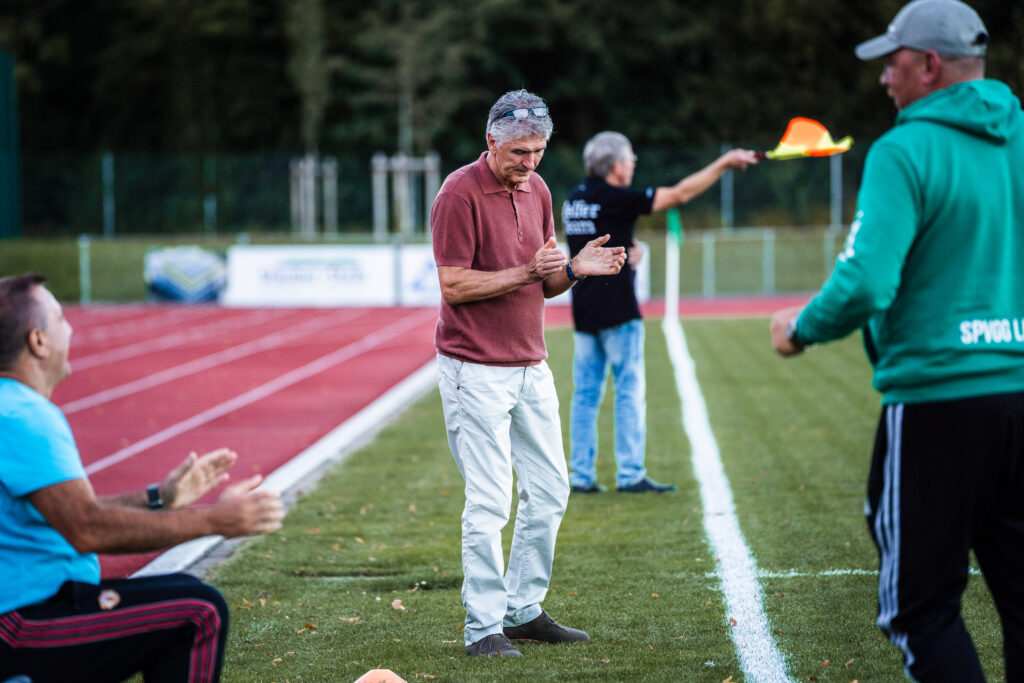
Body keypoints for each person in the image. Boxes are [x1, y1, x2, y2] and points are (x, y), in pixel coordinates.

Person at [769, 1, 1024, 679]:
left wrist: (800, 328)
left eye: (893, 62)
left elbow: (865, 284)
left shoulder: (904, 150)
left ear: (929, 65)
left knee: (920, 610)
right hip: (1019, 392)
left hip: (939, 401)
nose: (885, 77)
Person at [0, 273, 285, 682]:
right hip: (18, 626)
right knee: (198, 612)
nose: (72, 329)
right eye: (61, 318)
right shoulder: (23, 415)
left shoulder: (10, 408)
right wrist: (216, 520)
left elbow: (69, 513)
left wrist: (159, 499)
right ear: (38, 341)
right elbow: (87, 528)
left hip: (28, 612)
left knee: (185, 600)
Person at [431, 89, 627, 658]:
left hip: (529, 364)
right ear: (491, 140)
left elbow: (545, 280)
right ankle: (482, 628)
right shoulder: (457, 193)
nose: (530, 161)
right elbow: (454, 285)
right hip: (474, 369)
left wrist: (575, 269)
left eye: (538, 150)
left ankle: (521, 610)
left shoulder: (538, 189)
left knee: (549, 491)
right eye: (520, 151)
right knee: (490, 500)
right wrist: (525, 272)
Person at [563, 132, 757, 494]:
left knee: (585, 396)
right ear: (615, 166)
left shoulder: (574, 199)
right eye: (630, 159)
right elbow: (680, 194)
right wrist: (724, 163)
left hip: (584, 310)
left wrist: (630, 247)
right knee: (628, 392)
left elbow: (601, 237)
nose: (634, 165)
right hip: (619, 308)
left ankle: (581, 476)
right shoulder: (615, 197)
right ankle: (630, 474)